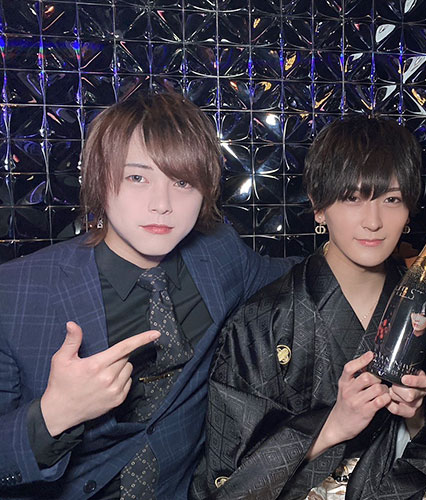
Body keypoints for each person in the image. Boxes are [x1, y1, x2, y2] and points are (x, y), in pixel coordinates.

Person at [0, 92, 294, 499]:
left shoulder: (219, 255)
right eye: (137, 178)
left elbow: (296, 275)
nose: (162, 205)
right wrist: (54, 415)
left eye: (182, 182)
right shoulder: (14, 293)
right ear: (100, 179)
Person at [191, 116, 426, 500]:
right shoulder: (262, 322)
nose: (373, 222)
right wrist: (333, 426)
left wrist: (417, 414)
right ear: (318, 207)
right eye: (352, 198)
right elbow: (226, 479)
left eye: (391, 199)